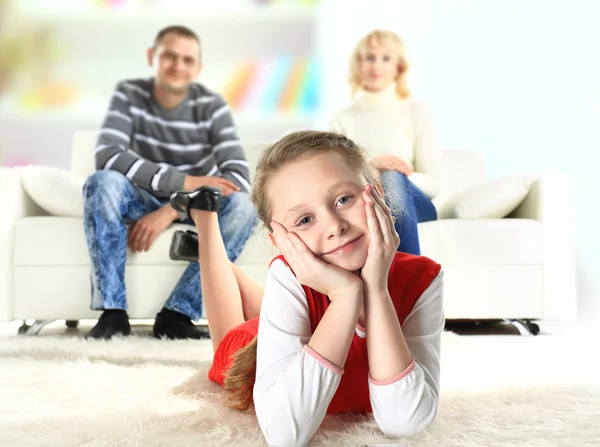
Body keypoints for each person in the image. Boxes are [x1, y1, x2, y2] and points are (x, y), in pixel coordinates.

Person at [171, 131, 444, 446]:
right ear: (281, 242)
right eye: (304, 220)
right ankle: (204, 218)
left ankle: (210, 253)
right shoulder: (286, 274)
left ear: (378, 193)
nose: (333, 226)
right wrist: (345, 297)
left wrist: (376, 290)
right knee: (227, 341)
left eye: (344, 199)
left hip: (300, 320)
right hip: (254, 345)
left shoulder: (424, 278)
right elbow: (284, 436)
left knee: (286, 309)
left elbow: (406, 421)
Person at [83, 25, 257, 340]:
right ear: (153, 57)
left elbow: (238, 178)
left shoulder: (212, 107)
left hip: (190, 206)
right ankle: (113, 314)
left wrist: (174, 208)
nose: (178, 66)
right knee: (103, 181)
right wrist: (186, 180)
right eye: (170, 56)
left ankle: (177, 315)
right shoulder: (129, 95)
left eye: (187, 60)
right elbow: (108, 156)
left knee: (244, 207)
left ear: (198, 68)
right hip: (138, 196)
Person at [329, 30, 442, 256]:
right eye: (369, 58)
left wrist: (394, 173)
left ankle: (407, 277)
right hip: (364, 203)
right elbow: (333, 183)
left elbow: (434, 185)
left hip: (416, 204)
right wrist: (369, 168)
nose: (376, 66)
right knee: (377, 188)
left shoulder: (415, 112)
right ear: (359, 65)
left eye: (386, 58)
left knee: (391, 179)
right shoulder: (341, 120)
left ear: (398, 67)